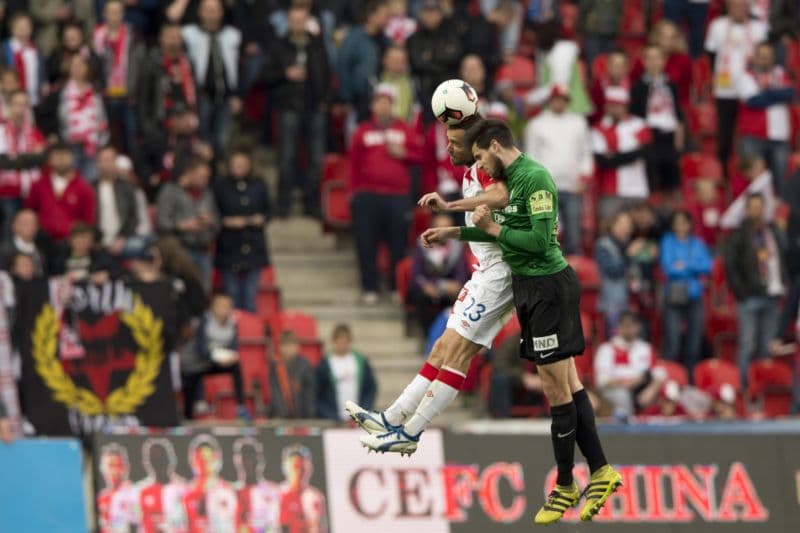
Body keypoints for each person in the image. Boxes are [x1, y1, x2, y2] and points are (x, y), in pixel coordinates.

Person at [413, 119, 621, 523]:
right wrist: (454, 231)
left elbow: (542, 241)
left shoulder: (536, 179)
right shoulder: (513, 179)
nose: (480, 167)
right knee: (570, 384)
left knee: (555, 388)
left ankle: (564, 483)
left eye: (479, 157)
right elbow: (503, 233)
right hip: (532, 288)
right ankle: (600, 470)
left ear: (494, 145)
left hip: (547, 288)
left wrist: (492, 226)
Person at [348, 110, 516, 455]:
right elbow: (485, 225)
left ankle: (411, 431)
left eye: (454, 143)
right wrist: (451, 230)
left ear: (474, 145)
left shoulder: (486, 170)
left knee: (455, 353)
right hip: (485, 271)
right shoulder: (472, 172)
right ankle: (392, 419)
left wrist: (452, 206)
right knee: (443, 349)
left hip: (499, 274)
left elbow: (500, 196)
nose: (448, 149)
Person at [349, 84, 423, 304]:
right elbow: (353, 163)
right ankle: (369, 288)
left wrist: (404, 153)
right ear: (373, 105)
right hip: (368, 196)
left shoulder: (404, 129)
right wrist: (353, 194)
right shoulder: (363, 130)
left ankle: (395, 287)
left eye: (387, 102)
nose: (383, 106)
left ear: (392, 105)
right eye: (379, 101)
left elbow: (420, 157)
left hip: (397, 196)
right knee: (366, 244)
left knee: (397, 244)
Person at [264, 2, 330, 219]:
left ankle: (312, 203)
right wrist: (285, 73)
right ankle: (282, 203)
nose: (298, 25)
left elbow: (327, 73)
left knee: (316, 159)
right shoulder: (278, 45)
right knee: (286, 158)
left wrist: (324, 99)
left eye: (302, 21)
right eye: (294, 21)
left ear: (308, 21)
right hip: (288, 107)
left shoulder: (317, 45)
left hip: (314, 107)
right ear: (288, 22)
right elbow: (266, 76)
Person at [723, 193, 788, 384]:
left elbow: (782, 258)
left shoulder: (772, 231)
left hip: (772, 294)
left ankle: (762, 389)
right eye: (752, 207)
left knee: (767, 346)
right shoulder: (739, 235)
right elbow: (731, 266)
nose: (756, 211)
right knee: (747, 344)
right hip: (749, 297)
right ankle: (742, 390)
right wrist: (741, 293)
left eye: (759, 207)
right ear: (746, 209)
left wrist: (783, 282)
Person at [524, 84, 593, 255]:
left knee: (573, 233)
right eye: (556, 99)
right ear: (549, 101)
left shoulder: (578, 122)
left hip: (572, 187)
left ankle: (573, 270)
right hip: (546, 188)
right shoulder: (536, 124)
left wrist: (584, 178)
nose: (559, 103)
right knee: (545, 232)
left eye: (563, 99)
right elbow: (531, 157)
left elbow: (585, 153)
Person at [704, 0, 768, 173]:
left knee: (751, 136)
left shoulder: (759, 27)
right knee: (724, 134)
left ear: (748, 7)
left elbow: (765, 55)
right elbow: (710, 54)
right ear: (728, 6)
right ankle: (723, 172)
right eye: (734, 5)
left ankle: (751, 173)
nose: (738, 8)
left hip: (751, 91)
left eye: (742, 5)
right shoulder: (717, 25)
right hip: (725, 90)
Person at [213, 148, 270, 312]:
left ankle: (249, 332)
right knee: (232, 295)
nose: (239, 168)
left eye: (243, 164)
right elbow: (214, 212)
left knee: (250, 296)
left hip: (253, 246)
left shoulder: (259, 184)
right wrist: (226, 221)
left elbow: (268, 211)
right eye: (236, 164)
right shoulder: (220, 186)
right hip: (229, 247)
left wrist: (261, 219)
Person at [181, 0, 242, 155]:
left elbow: (239, 68)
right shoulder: (188, 34)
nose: (211, 13)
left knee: (222, 142)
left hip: (226, 97)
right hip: (202, 97)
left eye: (215, 9)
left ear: (222, 12)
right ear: (200, 12)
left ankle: (218, 175)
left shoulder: (233, 36)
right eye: (207, 9)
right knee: (202, 142)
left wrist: (237, 94)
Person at [736, 42, 794, 196]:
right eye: (762, 57)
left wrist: (766, 94)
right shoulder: (745, 75)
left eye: (769, 57)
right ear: (754, 57)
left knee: (783, 181)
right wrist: (776, 93)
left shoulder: (780, 72)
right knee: (755, 182)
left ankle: (781, 217)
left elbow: (790, 93)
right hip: (753, 136)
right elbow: (753, 101)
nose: (765, 60)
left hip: (779, 136)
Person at [182, 292, 250, 420]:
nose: (224, 309)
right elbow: (200, 348)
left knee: (236, 367)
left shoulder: (233, 323)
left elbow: (233, 347)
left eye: (227, 306)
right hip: (199, 362)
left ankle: (240, 406)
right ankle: (188, 414)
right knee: (191, 378)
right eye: (220, 306)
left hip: (218, 361)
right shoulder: (204, 321)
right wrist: (215, 358)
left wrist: (230, 357)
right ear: (213, 307)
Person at [660, 211, 712, 372]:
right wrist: (693, 268)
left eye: (684, 222)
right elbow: (669, 269)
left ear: (690, 224)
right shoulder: (667, 242)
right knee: (673, 341)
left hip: (694, 296)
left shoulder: (698, 243)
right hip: (674, 297)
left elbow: (708, 266)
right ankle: (669, 379)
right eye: (677, 222)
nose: (681, 226)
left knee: (694, 343)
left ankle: (691, 380)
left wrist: (684, 266)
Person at [591, 86, 652, 221]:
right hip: (610, 190)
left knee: (640, 230)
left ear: (625, 106)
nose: (614, 109)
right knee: (607, 225)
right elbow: (603, 162)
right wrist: (633, 154)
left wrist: (615, 156)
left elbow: (645, 153)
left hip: (637, 188)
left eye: (618, 105)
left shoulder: (639, 125)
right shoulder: (598, 128)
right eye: (611, 105)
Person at [156, 158, 219, 287]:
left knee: (203, 293)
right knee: (181, 291)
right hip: (180, 250)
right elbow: (162, 222)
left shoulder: (208, 194)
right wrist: (183, 225)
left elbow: (218, 223)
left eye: (207, 177)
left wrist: (211, 221)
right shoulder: (170, 191)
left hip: (203, 250)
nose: (205, 180)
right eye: (202, 176)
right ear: (190, 173)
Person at [630, 45, 684, 195]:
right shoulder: (638, 87)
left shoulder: (671, 85)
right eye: (650, 58)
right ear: (644, 61)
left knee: (672, 180)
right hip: (650, 137)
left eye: (657, 58)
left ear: (663, 61)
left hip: (670, 137)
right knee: (651, 179)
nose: (654, 62)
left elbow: (677, 112)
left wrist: (679, 138)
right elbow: (635, 116)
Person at [92, 0, 143, 155]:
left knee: (130, 135)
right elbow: (93, 66)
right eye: (111, 12)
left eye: (117, 12)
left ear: (123, 14)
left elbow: (137, 65)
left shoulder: (132, 35)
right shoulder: (97, 35)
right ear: (104, 14)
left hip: (127, 95)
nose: (114, 16)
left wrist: (133, 90)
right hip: (105, 95)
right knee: (107, 135)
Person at [407, 213, 469, 335]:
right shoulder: (422, 246)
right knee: (422, 299)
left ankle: (452, 336)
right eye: (440, 228)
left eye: (447, 229)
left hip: (449, 290)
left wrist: (457, 285)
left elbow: (462, 274)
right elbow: (416, 275)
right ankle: (429, 337)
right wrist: (427, 286)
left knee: (462, 299)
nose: (443, 233)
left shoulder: (457, 248)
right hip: (427, 289)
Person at [25, 142, 96, 242]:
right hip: (42, 242)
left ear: (72, 158)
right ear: (49, 159)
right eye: (57, 154)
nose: (61, 158)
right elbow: (29, 212)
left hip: (71, 243)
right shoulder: (38, 185)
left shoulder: (84, 188)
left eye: (65, 154)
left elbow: (88, 220)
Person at [0, 89, 45, 240]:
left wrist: (16, 159)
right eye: (17, 104)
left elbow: (41, 158)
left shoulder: (34, 132)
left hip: (32, 191)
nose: (20, 108)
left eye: (24, 104)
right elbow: (3, 162)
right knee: (10, 228)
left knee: (32, 229)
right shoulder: (2, 131)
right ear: (9, 106)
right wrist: (29, 158)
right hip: (7, 191)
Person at [336, 0, 390, 123]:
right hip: (358, 99)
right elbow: (343, 68)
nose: (387, 19)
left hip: (380, 98)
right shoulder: (354, 39)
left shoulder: (386, 40)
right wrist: (346, 99)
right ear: (371, 15)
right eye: (384, 15)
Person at [57, 54, 109, 182]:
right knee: (71, 182)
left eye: (81, 65)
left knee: (91, 182)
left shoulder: (95, 91)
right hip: (71, 145)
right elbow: (59, 120)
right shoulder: (62, 92)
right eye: (74, 66)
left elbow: (102, 117)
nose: (78, 69)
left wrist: (102, 138)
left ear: (87, 69)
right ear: (69, 69)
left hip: (92, 144)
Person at [593, 311, 655, 417]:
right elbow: (602, 381)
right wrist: (625, 384)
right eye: (625, 326)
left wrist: (652, 388)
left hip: (641, 389)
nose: (628, 329)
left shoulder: (646, 348)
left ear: (638, 327)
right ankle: (630, 429)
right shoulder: (607, 349)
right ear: (619, 327)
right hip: (615, 390)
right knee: (623, 395)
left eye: (631, 325)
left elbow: (658, 373)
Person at [316, 324, 377, 421]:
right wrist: (329, 415)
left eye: (345, 341)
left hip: (358, 421)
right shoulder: (325, 363)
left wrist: (363, 411)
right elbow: (318, 394)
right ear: (333, 341)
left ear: (350, 341)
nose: (342, 344)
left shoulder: (360, 361)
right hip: (334, 421)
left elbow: (371, 388)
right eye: (339, 340)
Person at [95, 145, 141, 257]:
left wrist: (122, 238)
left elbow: (133, 218)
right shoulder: (90, 189)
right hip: (97, 240)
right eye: (105, 160)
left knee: (140, 246)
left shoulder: (127, 187)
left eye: (111, 160)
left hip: (124, 239)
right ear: (98, 163)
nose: (108, 164)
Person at [487, 331, 546, 418]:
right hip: (514, 385)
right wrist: (523, 377)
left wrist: (545, 379)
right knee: (500, 378)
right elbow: (499, 363)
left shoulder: (547, 343)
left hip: (538, 385)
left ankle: (552, 416)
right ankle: (501, 418)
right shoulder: (513, 341)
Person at [595, 210, 634, 335]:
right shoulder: (603, 245)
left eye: (628, 224)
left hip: (629, 299)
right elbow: (613, 270)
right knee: (616, 338)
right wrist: (629, 255)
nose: (625, 228)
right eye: (622, 224)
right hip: (611, 302)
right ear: (612, 225)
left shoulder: (628, 245)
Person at [268, 330, 317, 419]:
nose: (288, 349)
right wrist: (282, 415)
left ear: (297, 347)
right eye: (285, 345)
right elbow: (276, 394)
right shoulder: (275, 366)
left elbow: (309, 394)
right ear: (280, 347)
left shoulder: (305, 365)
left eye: (290, 345)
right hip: (281, 416)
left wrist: (309, 416)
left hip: (302, 415)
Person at [278, 444, 327, 532]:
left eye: (302, 467)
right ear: (286, 467)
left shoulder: (315, 496)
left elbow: (319, 527)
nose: (298, 472)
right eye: (295, 466)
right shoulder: (276, 494)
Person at [1, 12, 45, 107]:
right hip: (10, 100)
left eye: (26, 26)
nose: (23, 29)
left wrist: (43, 83)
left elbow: (41, 71)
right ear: (12, 29)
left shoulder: (36, 49)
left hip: (33, 99)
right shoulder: (4, 49)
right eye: (19, 26)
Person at [578, 0, 622, 69]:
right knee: (592, 64)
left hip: (610, 34)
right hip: (593, 33)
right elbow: (583, 10)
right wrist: (582, 30)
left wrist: (616, 27)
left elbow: (619, 10)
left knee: (609, 63)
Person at [0, 209, 45, 274]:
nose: (30, 226)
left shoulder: (42, 251)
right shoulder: (3, 251)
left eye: (33, 223)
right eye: (25, 223)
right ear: (14, 226)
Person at [379, 45, 416, 122]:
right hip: (380, 130)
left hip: (406, 128)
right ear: (384, 60)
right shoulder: (376, 82)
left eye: (400, 60)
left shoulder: (413, 83)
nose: (396, 63)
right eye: (393, 59)